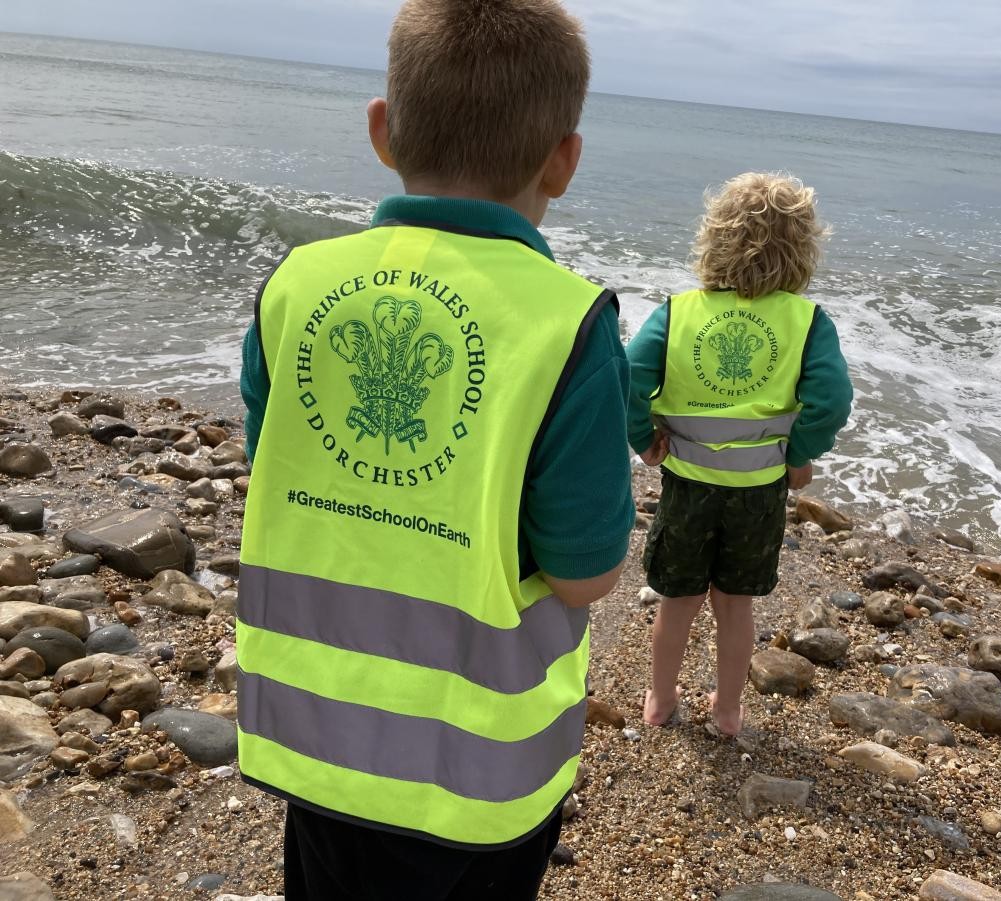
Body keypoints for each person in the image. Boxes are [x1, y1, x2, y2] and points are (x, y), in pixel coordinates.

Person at [235, 1, 634, 897]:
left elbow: (277, 470)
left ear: (383, 130)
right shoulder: (567, 324)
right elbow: (585, 574)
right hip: (477, 774)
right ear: (564, 159)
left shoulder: (294, 285)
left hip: (317, 744)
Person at [626, 172, 853, 737]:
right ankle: (727, 710)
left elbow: (626, 378)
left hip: (687, 485)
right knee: (734, 604)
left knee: (678, 600)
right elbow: (831, 400)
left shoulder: (678, 312)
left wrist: (644, 439)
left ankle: (660, 700)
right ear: (802, 249)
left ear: (715, 238)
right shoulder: (806, 322)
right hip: (757, 491)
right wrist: (799, 453)